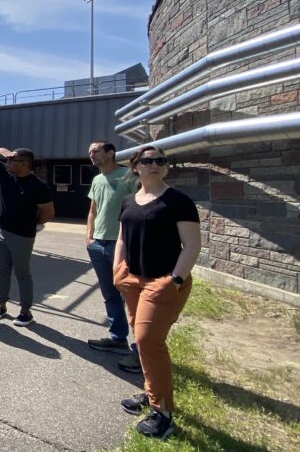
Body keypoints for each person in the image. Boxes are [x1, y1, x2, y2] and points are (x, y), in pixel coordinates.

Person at [114, 146, 200, 440]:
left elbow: (192, 245)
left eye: (159, 160)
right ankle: (151, 395)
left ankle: (163, 416)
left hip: (163, 281)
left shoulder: (178, 201)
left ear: (165, 167)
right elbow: (123, 238)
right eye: (147, 160)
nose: (154, 164)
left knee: (148, 340)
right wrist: (119, 270)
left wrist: (175, 280)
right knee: (143, 342)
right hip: (133, 280)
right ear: (136, 167)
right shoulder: (128, 201)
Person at [84, 141, 141, 374]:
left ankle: (140, 350)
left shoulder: (128, 176)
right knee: (109, 293)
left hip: (122, 245)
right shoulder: (97, 179)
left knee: (132, 296)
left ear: (110, 153)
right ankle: (117, 337)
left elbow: (139, 208)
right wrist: (89, 237)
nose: (91, 155)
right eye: (89, 152)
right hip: (97, 244)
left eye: (95, 151)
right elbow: (93, 210)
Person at [0, 147, 54, 326]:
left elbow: (48, 213)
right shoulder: (6, 174)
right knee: (2, 270)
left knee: (22, 273)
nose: (8, 162)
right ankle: (1, 305)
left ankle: (25, 311)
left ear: (24, 164)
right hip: (0, 231)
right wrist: (0, 150)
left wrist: (31, 223)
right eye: (8, 159)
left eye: (12, 160)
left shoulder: (38, 185)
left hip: (22, 235)